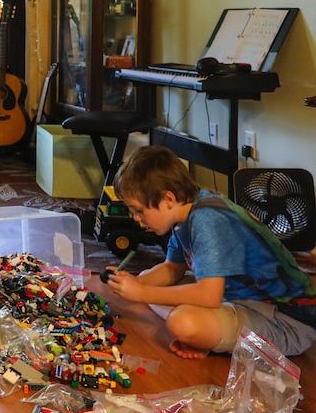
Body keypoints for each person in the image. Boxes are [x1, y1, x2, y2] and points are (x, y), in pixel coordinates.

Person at [108, 145, 316, 359]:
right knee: (145, 279)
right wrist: (133, 283)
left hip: (285, 322)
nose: (135, 218)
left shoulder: (208, 219)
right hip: (234, 298)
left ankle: (207, 335)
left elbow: (208, 295)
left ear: (168, 199)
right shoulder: (186, 214)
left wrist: (140, 294)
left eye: (138, 210)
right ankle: (211, 334)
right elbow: (173, 268)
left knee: (182, 322)